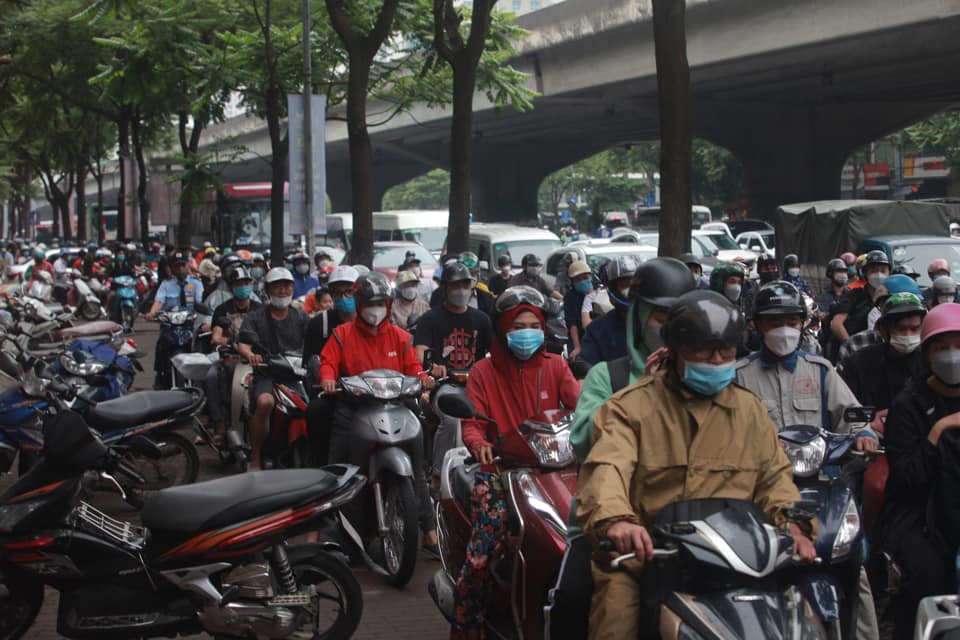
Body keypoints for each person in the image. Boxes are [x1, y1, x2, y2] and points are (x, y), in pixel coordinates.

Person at [576, 289, 816, 640]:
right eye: (704, 350)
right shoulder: (629, 408)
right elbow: (606, 469)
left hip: (738, 562)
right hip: (652, 557)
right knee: (615, 618)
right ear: (674, 350)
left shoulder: (750, 411)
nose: (717, 360)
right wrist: (617, 521)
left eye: (726, 351)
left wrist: (795, 526)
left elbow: (775, 479)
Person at [735, 280, 879, 638]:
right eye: (773, 322)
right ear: (756, 326)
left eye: (792, 321)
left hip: (821, 489)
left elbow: (853, 415)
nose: (783, 329)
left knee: (855, 562)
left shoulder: (821, 371)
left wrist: (864, 434)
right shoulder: (738, 376)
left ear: (803, 324)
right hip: (759, 493)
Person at [452, 285, 580, 638]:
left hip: (556, 469)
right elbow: (473, 423)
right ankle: (467, 623)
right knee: (480, 556)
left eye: (534, 326)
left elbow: (580, 407)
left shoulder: (556, 366)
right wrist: (479, 444)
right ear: (504, 328)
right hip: (502, 472)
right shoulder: (482, 371)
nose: (528, 333)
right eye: (519, 326)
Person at [317, 271, 437, 553]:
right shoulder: (342, 335)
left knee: (418, 468)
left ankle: (430, 533)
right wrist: (328, 378)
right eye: (370, 303)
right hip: (354, 409)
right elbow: (327, 363)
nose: (376, 309)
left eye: (381, 302)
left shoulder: (401, 337)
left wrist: (423, 380)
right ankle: (336, 533)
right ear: (359, 305)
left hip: (397, 406)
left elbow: (414, 369)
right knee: (339, 471)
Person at [877, 303, 960, 636]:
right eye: (943, 348)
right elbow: (908, 477)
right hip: (921, 512)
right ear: (928, 355)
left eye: (959, 347)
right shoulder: (908, 404)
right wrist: (938, 431)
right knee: (927, 573)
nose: (952, 356)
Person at [414, 263, 493, 475]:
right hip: (444, 386)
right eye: (455, 285)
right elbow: (419, 353)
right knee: (452, 419)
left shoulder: (482, 319)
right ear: (445, 289)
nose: (461, 290)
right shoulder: (429, 319)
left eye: (465, 285)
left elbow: (495, 355)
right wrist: (431, 368)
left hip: (476, 386)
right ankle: (439, 475)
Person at [236, 267, 308, 469]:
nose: (282, 291)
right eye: (277, 287)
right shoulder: (255, 317)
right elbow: (243, 343)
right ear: (268, 290)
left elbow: (314, 344)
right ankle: (256, 456)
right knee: (265, 402)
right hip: (267, 374)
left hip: (297, 375)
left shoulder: (301, 317)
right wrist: (251, 355)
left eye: (286, 286)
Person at [303, 265, 360, 465]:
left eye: (349, 291)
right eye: (337, 293)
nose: (343, 297)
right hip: (335, 391)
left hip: (372, 390)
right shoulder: (321, 324)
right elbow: (311, 363)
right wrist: (326, 381)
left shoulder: (372, 319)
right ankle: (320, 468)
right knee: (317, 411)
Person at [840, 292, 926, 412]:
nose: (908, 335)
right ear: (884, 330)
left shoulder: (930, 362)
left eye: (914, 329)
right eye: (901, 329)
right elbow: (845, 405)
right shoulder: (860, 362)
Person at [205, 267, 262, 437]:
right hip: (230, 357)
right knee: (211, 376)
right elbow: (216, 337)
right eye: (239, 284)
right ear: (232, 287)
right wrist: (230, 341)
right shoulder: (223, 309)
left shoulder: (259, 309)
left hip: (255, 359)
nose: (243, 286)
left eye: (246, 283)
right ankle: (219, 422)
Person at [145, 251, 204, 389]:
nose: (180, 269)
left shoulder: (196, 284)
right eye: (176, 266)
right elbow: (159, 302)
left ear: (188, 265)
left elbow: (200, 302)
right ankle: (160, 375)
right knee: (161, 345)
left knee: (201, 346)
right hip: (170, 326)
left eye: (182, 265)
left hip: (190, 326)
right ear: (171, 268)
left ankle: (201, 380)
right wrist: (152, 313)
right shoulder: (166, 285)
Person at [578, 255, 640, 365]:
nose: (631, 290)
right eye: (625, 285)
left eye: (635, 285)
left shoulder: (656, 322)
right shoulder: (597, 330)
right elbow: (586, 368)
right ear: (613, 290)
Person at [830, 249, 891, 344]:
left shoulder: (893, 295)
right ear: (865, 273)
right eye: (873, 271)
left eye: (883, 271)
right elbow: (836, 324)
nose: (878, 274)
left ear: (889, 273)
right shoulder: (854, 295)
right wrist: (851, 346)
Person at [563, 260, 597, 361]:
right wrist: (577, 347)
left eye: (585, 278)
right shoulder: (570, 298)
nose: (582, 282)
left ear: (590, 277)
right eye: (578, 280)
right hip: (580, 338)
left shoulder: (599, 292)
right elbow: (572, 325)